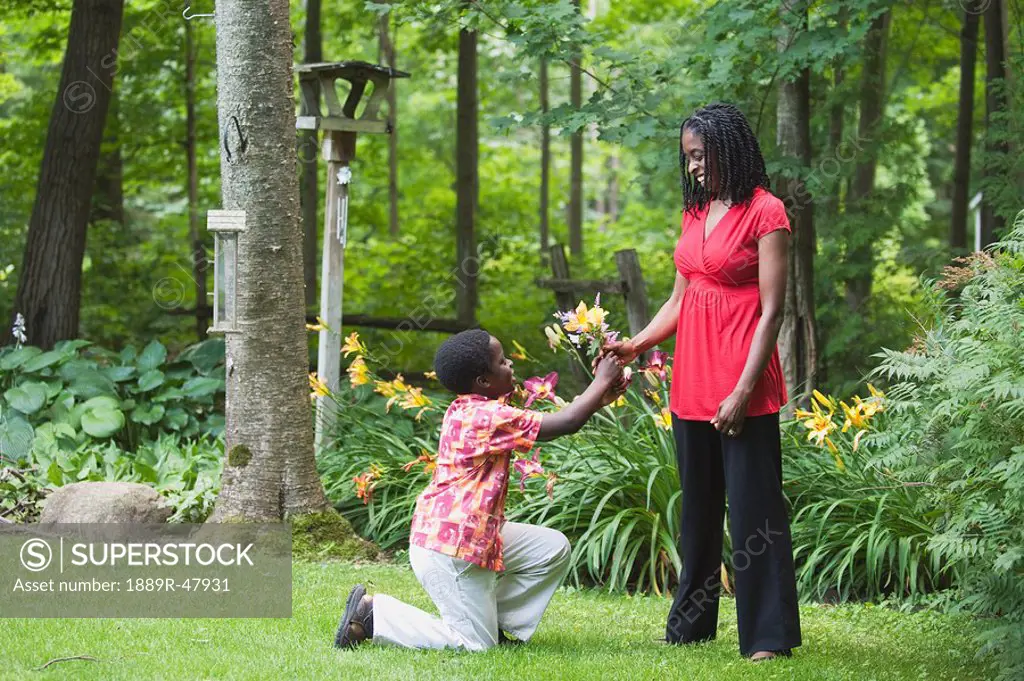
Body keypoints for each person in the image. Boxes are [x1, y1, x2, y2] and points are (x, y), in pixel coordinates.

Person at [600, 102, 802, 661]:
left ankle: (767, 636)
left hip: (744, 381)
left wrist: (741, 390)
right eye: (687, 158)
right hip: (691, 378)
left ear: (729, 150)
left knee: (755, 509)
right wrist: (637, 345)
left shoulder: (767, 213)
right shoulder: (695, 214)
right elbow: (679, 297)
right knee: (699, 511)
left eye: (701, 155)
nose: (693, 167)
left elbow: (772, 312)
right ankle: (690, 624)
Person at [334, 329, 627, 651]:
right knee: (475, 646)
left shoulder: (474, 408)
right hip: (450, 550)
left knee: (549, 548)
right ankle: (374, 614)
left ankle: (495, 623)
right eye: (502, 362)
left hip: (466, 536)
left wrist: (601, 396)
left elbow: (567, 418)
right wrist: (600, 380)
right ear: (483, 381)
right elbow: (566, 422)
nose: (511, 365)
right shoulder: (484, 416)